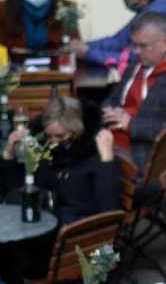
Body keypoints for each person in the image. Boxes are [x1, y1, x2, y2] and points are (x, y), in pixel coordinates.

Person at [7, 91, 122, 225]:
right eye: (49, 136)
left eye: (60, 136)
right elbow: (20, 190)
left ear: (76, 131)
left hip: (75, 230)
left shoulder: (94, 153)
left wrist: (107, 162)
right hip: (47, 220)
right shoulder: (47, 149)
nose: (54, 141)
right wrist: (8, 154)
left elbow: (110, 213)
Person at [99, 13, 166, 161]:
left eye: (142, 45)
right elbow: (114, 97)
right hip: (114, 141)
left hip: (151, 158)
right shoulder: (136, 65)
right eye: (134, 45)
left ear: (164, 45)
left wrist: (131, 124)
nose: (136, 51)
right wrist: (109, 110)